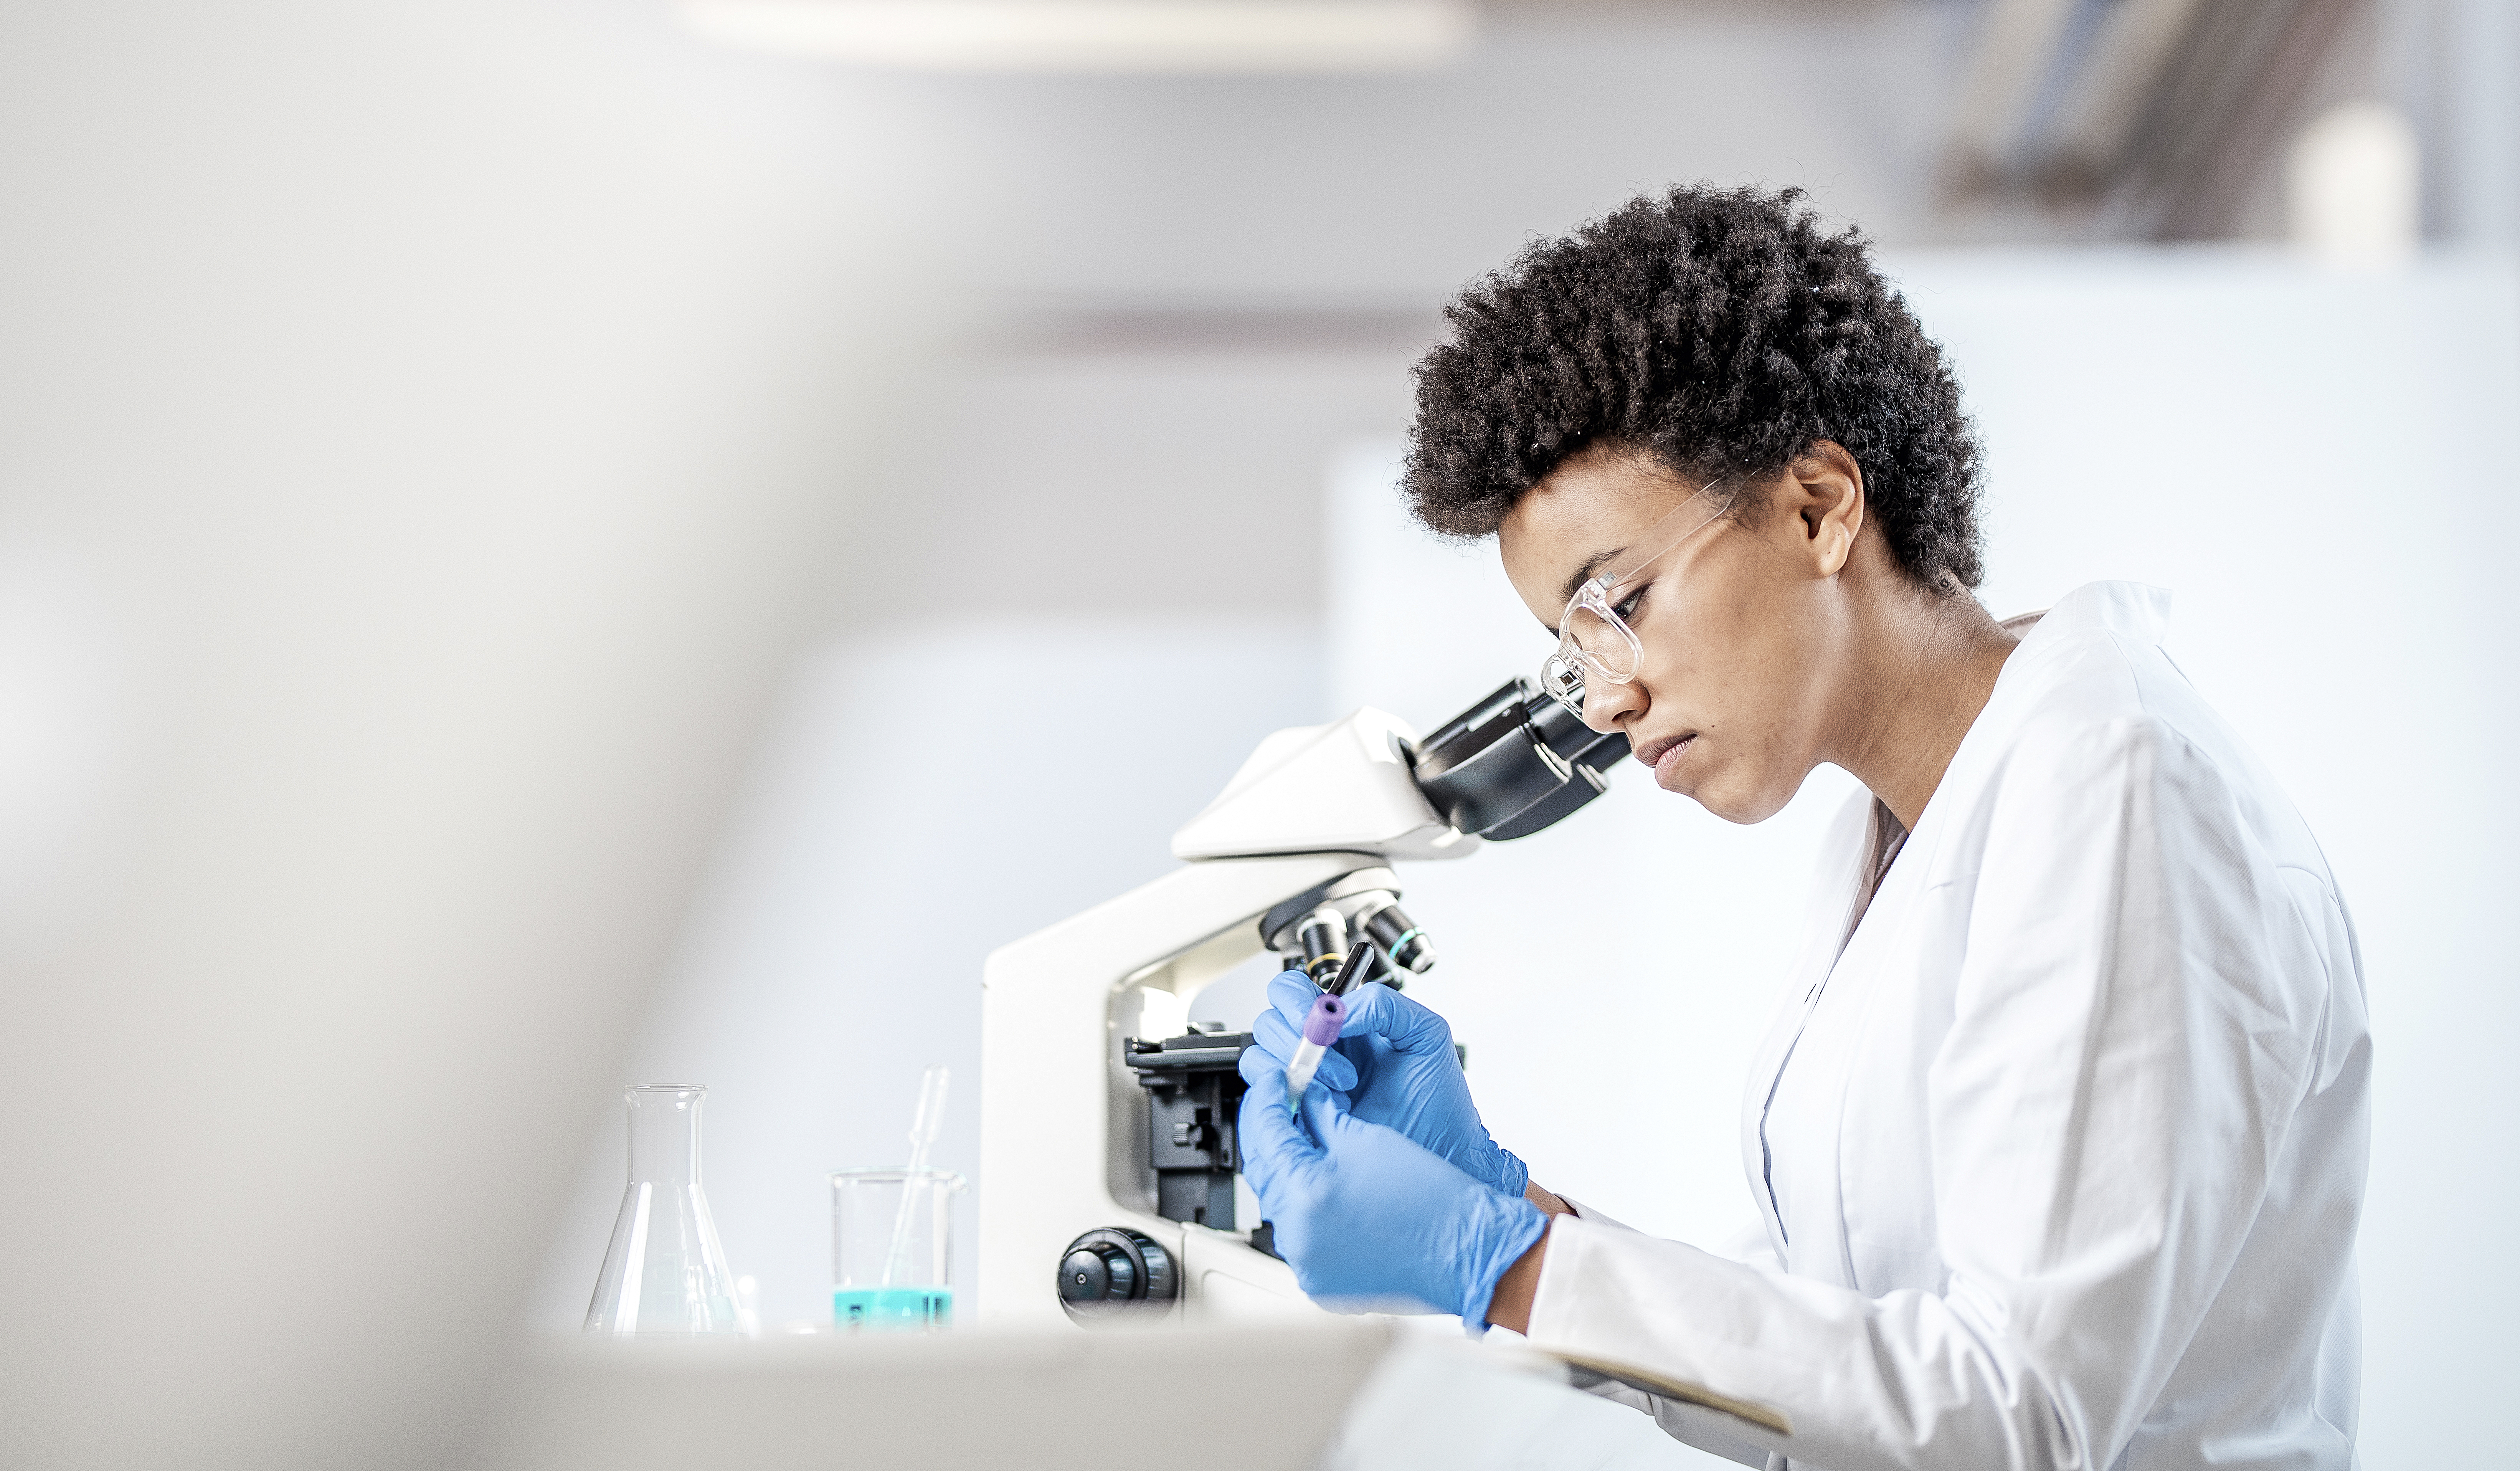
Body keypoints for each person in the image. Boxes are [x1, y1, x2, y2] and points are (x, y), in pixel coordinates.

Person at [1235, 185, 2369, 1471]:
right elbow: (1841, 1337)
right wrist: (1518, 1214)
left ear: (1822, 504)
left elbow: (2017, 1413)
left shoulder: (2117, 787)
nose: (1604, 698)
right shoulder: (1901, 832)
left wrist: (1516, 1271)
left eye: (1615, 605)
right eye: (1567, 649)